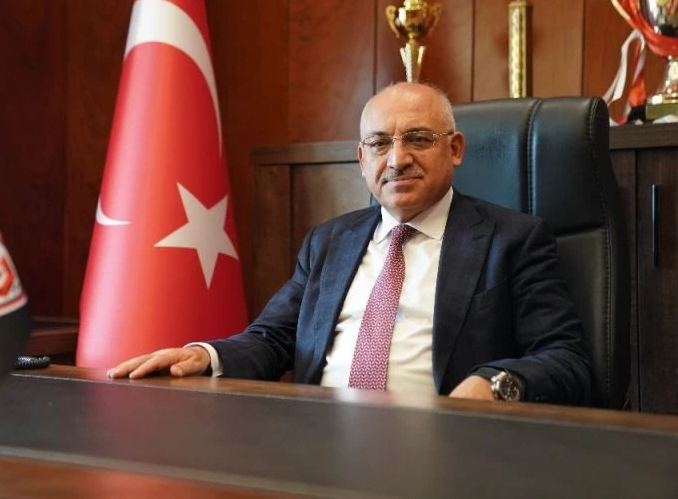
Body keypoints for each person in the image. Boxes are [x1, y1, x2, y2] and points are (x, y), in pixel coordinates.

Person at [108, 82, 591, 405]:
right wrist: (206, 356)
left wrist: (493, 384)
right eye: (379, 144)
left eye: (418, 139)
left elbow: (566, 358)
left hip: (445, 450)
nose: (397, 159)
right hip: (321, 445)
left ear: (455, 149)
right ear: (362, 160)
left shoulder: (513, 240)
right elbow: (273, 339)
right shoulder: (329, 242)